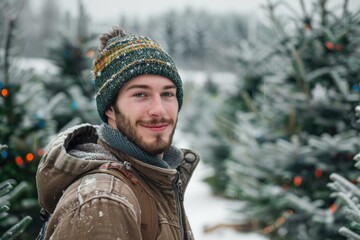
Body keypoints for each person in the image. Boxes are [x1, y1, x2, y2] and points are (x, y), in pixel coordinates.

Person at [36, 27, 199, 240]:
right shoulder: (105, 202)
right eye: (141, 94)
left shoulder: (154, 177)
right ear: (109, 108)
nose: (159, 109)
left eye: (167, 93)